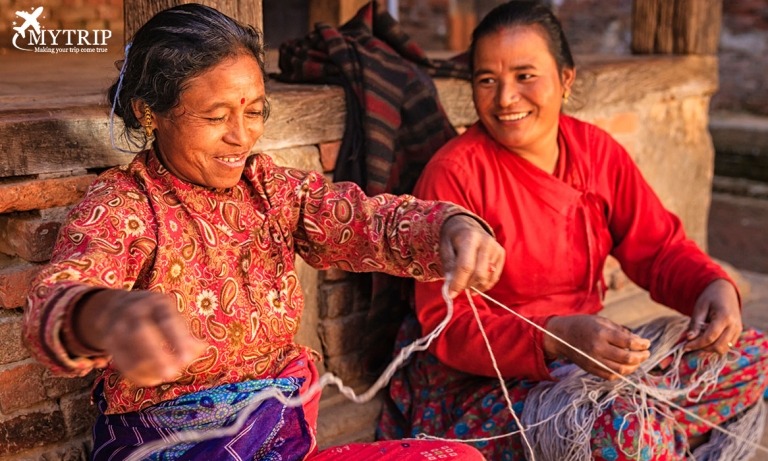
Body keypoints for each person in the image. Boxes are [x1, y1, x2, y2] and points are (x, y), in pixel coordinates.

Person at [21, 4, 504, 460]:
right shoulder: (124, 205)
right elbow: (58, 295)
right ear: (150, 113)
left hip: (278, 444)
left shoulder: (270, 189)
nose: (242, 135)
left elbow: (365, 221)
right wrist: (103, 313)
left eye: (254, 111)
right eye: (216, 117)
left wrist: (449, 226)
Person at [378, 1, 768, 460]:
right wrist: (554, 335)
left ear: (566, 79)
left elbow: (659, 249)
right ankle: (651, 437)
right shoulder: (455, 173)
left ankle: (650, 435)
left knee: (752, 354)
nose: (505, 98)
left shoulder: (596, 152)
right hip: (488, 385)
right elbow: (451, 327)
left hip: (590, 364)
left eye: (525, 76)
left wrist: (712, 285)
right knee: (624, 430)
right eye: (487, 80)